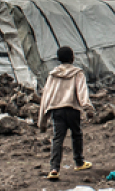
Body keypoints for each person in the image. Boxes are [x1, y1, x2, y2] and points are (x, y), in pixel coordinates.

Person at [38, 46, 95, 180]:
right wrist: (88, 108)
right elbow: (82, 92)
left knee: (58, 138)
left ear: (58, 60)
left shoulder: (53, 75)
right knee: (76, 135)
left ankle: (54, 169)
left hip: (56, 110)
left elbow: (46, 96)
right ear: (72, 58)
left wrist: (42, 120)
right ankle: (79, 162)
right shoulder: (77, 73)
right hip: (72, 109)